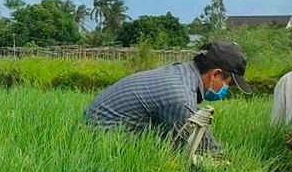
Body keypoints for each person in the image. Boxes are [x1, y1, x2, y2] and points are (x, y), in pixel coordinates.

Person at [84, 41, 252, 154]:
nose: (226, 92)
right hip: (98, 146)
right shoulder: (179, 97)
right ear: (216, 74)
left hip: (94, 135)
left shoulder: (180, 73)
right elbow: (206, 150)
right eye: (228, 85)